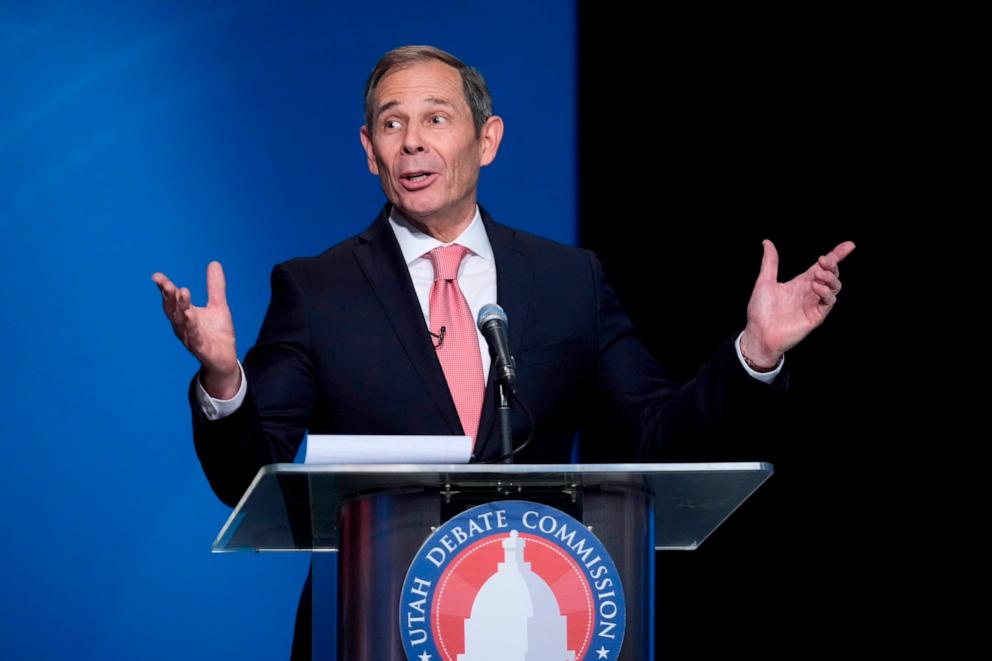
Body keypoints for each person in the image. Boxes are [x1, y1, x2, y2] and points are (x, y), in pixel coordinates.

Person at [152, 45, 854, 658]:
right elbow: (247, 473)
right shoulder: (317, 288)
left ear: (487, 139)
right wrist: (222, 379)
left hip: (543, 624)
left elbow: (653, 432)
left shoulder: (567, 278)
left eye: (435, 118)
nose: (412, 143)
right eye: (391, 123)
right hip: (371, 625)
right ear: (368, 150)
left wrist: (753, 353)